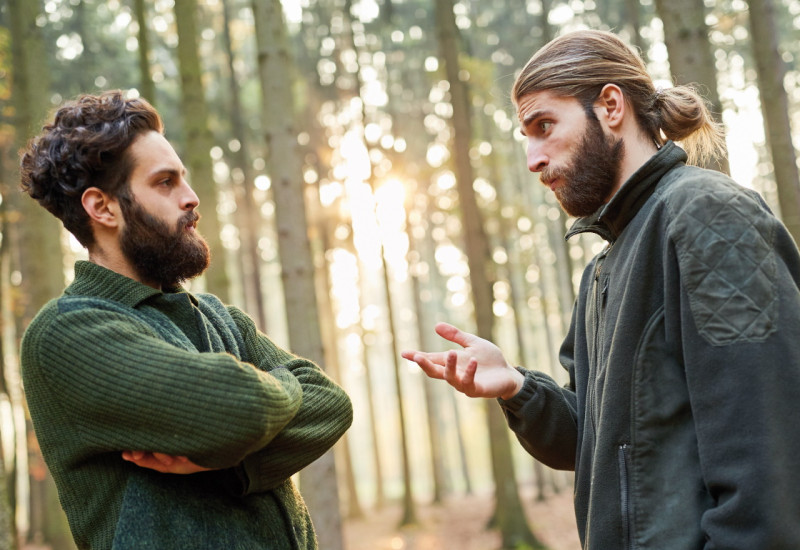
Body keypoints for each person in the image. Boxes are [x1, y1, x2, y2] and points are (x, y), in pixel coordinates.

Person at [403, 29, 800, 549]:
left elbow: (769, 467)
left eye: (544, 126)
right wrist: (519, 388)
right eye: (525, 137)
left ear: (611, 106)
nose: (533, 159)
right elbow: (597, 442)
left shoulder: (707, 217)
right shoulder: (603, 269)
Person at [19, 90, 353, 550]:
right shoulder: (67, 332)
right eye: (165, 183)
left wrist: (232, 462)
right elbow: (239, 408)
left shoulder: (217, 316)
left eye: (185, 180)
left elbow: (332, 403)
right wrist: (274, 394)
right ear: (102, 207)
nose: (191, 198)